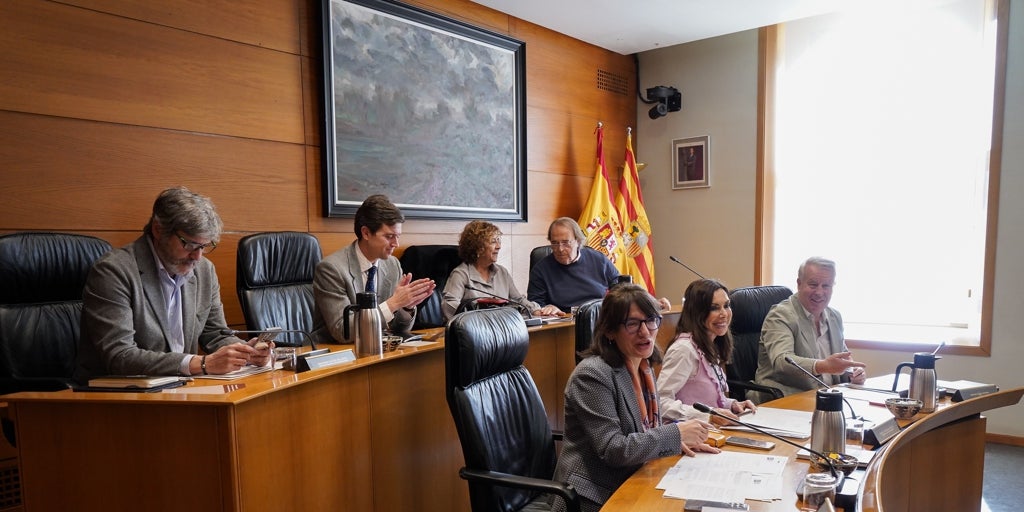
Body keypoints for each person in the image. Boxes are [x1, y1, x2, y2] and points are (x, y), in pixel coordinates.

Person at [75, 186, 272, 381]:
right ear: (158, 230)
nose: (197, 256)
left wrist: (246, 353)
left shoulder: (204, 270)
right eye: (189, 244)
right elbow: (120, 356)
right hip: (115, 392)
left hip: (179, 387)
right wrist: (202, 364)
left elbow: (215, 334)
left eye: (204, 246)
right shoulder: (114, 271)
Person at [551, 283, 719, 512]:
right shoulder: (591, 375)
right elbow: (613, 449)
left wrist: (677, 443)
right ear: (609, 331)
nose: (645, 332)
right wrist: (675, 433)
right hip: (594, 495)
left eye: (651, 320)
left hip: (636, 477)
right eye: (632, 324)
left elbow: (645, 433)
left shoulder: (643, 368)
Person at [312, 194, 435, 344]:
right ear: (366, 233)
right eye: (389, 236)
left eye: (398, 236)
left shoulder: (392, 265)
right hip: (335, 352)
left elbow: (398, 330)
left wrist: (406, 307)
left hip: (378, 348)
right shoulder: (331, 269)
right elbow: (343, 331)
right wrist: (393, 304)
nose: (396, 244)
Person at [752, 257, 867, 400]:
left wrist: (853, 372)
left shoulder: (834, 316)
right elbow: (782, 361)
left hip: (827, 398)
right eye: (813, 285)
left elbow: (842, 357)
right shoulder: (780, 315)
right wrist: (823, 366)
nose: (819, 292)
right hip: (786, 398)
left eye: (826, 286)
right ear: (799, 284)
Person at [657, 279, 757, 427]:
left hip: (712, 431)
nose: (724, 314)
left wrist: (732, 405)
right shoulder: (684, 349)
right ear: (697, 312)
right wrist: (709, 416)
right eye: (714, 308)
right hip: (687, 434)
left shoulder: (711, 344)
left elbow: (707, 401)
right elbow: (659, 403)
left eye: (726, 306)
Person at [528, 217, 671, 313]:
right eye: (554, 243)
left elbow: (624, 288)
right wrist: (546, 309)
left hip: (601, 319)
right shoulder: (541, 270)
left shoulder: (598, 260)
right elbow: (534, 306)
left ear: (578, 241)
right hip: (562, 325)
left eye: (566, 243)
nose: (559, 249)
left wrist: (651, 302)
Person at [441, 220, 561, 321]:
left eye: (499, 241)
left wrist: (537, 311)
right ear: (477, 247)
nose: (499, 246)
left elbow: (518, 300)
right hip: (474, 334)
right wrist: (475, 319)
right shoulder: (461, 274)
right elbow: (449, 306)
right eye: (493, 241)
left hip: (502, 331)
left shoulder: (502, 272)